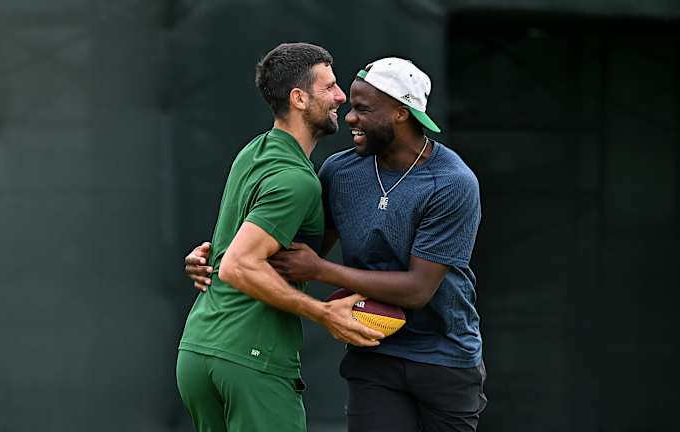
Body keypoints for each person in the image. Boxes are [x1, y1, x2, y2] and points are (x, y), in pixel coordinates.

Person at [185, 57, 487, 432]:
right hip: (374, 352)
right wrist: (218, 255)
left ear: (399, 113)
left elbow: (417, 289)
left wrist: (321, 271)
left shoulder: (452, 183)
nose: (349, 117)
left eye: (362, 109)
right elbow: (288, 253)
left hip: (445, 357)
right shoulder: (339, 172)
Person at [176, 43, 384, 432]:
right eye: (330, 87)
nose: (341, 97)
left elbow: (236, 252)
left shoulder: (254, 152)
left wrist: (209, 257)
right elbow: (240, 264)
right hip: (249, 359)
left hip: (198, 351)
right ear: (299, 98)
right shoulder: (298, 181)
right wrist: (323, 313)